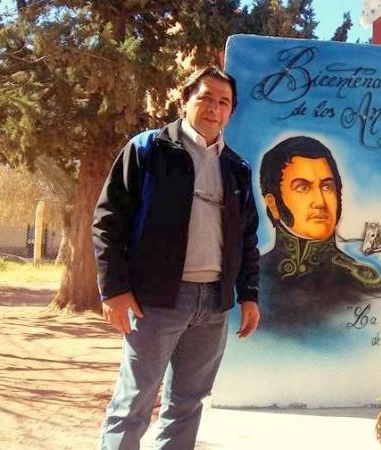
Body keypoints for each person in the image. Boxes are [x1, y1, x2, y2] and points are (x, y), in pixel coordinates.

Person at [92, 66, 261, 449]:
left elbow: (246, 238)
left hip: (214, 305)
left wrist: (248, 294)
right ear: (184, 100)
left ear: (231, 112)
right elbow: (107, 220)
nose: (214, 108)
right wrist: (113, 289)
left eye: (224, 102)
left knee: (187, 403)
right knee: (133, 402)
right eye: (205, 97)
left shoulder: (237, 169)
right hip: (156, 301)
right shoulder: (147, 150)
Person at [259, 136, 381, 331]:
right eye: (303, 188)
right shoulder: (250, 277)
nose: (320, 201)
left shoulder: (360, 284)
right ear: (273, 204)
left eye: (327, 187)